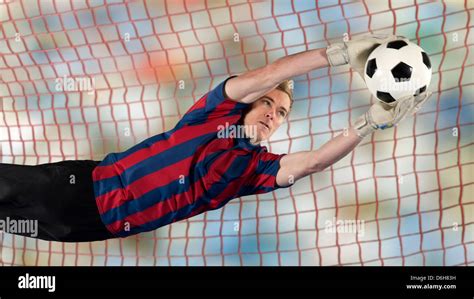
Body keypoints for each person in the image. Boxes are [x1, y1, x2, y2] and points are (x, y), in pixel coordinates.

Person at [0, 34, 431, 242]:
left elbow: (313, 162)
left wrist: (368, 124)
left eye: (281, 113)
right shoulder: (212, 114)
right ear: (248, 104)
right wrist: (333, 55)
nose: (272, 114)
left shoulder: (254, 171)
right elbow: (268, 75)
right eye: (267, 105)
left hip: (90, 227)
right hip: (79, 185)